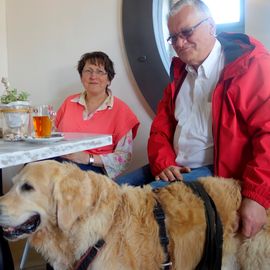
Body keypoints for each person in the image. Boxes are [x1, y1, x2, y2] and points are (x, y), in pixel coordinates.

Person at [117, 0, 270, 238]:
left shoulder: (251, 65)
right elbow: (159, 130)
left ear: (211, 26)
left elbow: (268, 134)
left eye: (187, 32)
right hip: (175, 167)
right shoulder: (179, 76)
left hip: (217, 170)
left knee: (139, 208)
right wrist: (163, 162)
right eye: (173, 37)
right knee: (112, 192)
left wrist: (257, 196)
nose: (179, 42)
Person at [55, 51, 140, 179]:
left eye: (100, 71)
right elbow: (51, 137)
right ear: (81, 76)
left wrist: (88, 158)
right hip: (60, 162)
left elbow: (123, 158)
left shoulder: (122, 111)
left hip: (92, 171)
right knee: (31, 168)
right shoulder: (68, 103)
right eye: (88, 71)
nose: (93, 76)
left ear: (109, 79)